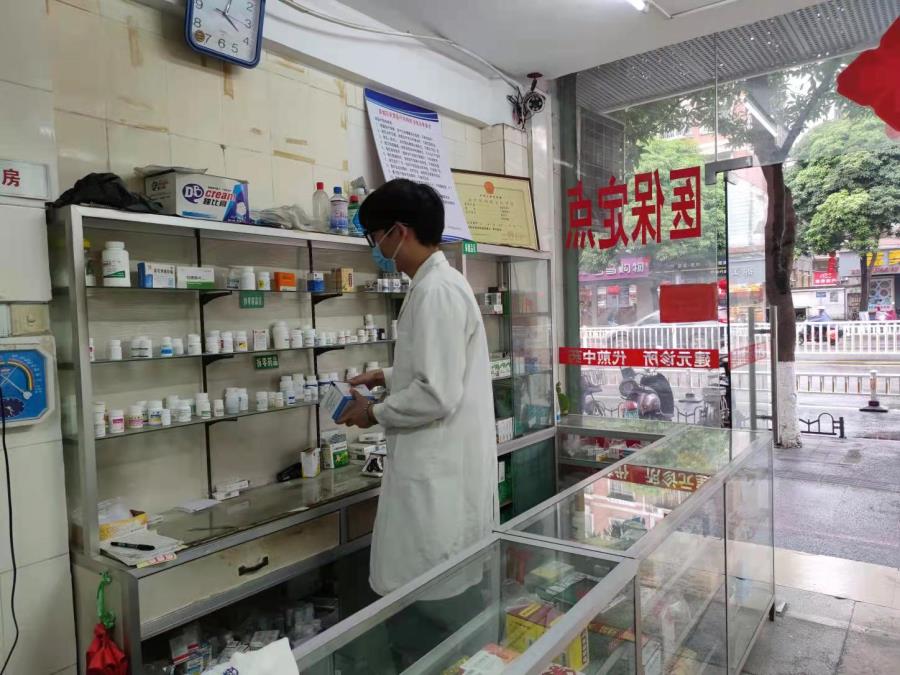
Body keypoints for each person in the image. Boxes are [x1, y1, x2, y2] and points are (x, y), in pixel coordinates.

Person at [336, 179, 498, 660]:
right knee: (430, 608)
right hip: (438, 476)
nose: (375, 248)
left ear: (399, 232)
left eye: (374, 236)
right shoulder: (436, 285)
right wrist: (385, 374)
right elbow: (439, 368)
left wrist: (373, 412)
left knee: (431, 629)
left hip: (437, 485)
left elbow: (435, 393)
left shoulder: (436, 292)